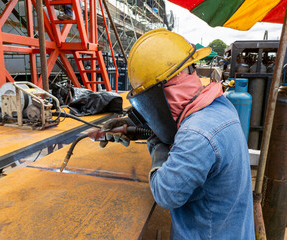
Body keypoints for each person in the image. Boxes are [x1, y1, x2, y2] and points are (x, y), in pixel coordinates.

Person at [100, 28, 255, 240]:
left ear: (160, 89)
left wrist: (157, 141)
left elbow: (166, 193)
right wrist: (133, 127)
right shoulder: (220, 105)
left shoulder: (197, 134)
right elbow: (179, 125)